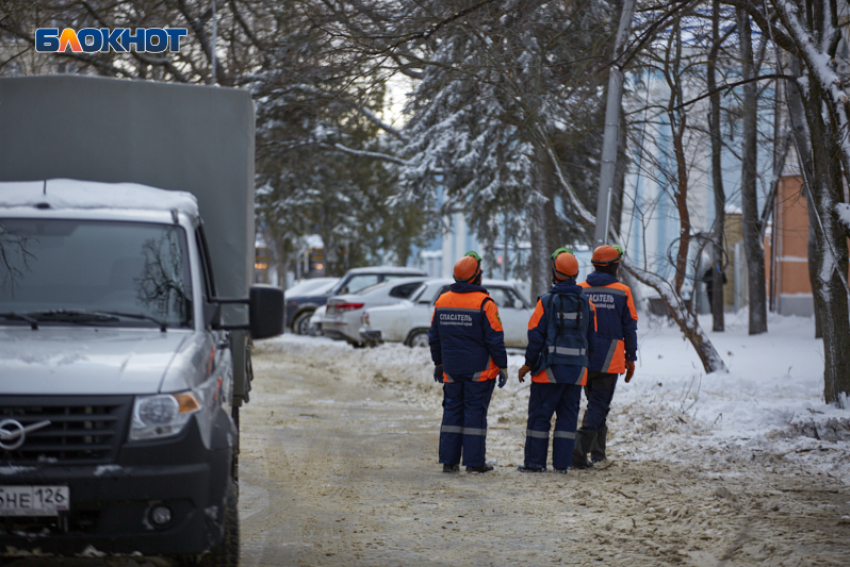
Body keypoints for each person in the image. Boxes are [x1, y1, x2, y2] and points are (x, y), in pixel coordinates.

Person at [517, 248, 597, 474]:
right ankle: (562, 465)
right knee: (567, 420)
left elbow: (535, 337)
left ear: (555, 273)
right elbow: (594, 340)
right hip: (576, 374)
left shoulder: (546, 302)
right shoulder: (587, 304)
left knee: (540, 418)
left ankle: (534, 463)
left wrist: (527, 365)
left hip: (548, 372)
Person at [428, 251, 508, 473]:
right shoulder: (485, 303)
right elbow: (495, 338)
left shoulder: (442, 301)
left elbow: (434, 337)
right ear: (476, 277)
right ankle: (474, 463)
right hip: (479, 373)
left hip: (452, 370)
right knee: (474, 414)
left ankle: (449, 462)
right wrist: (502, 365)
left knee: (452, 412)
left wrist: (439, 364)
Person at [574, 244, 638, 468]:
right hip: (610, 359)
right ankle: (579, 449)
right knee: (599, 404)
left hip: (583, 357)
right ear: (614, 266)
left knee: (595, 404)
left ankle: (597, 453)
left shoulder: (580, 289)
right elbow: (629, 327)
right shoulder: (623, 291)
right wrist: (631, 357)